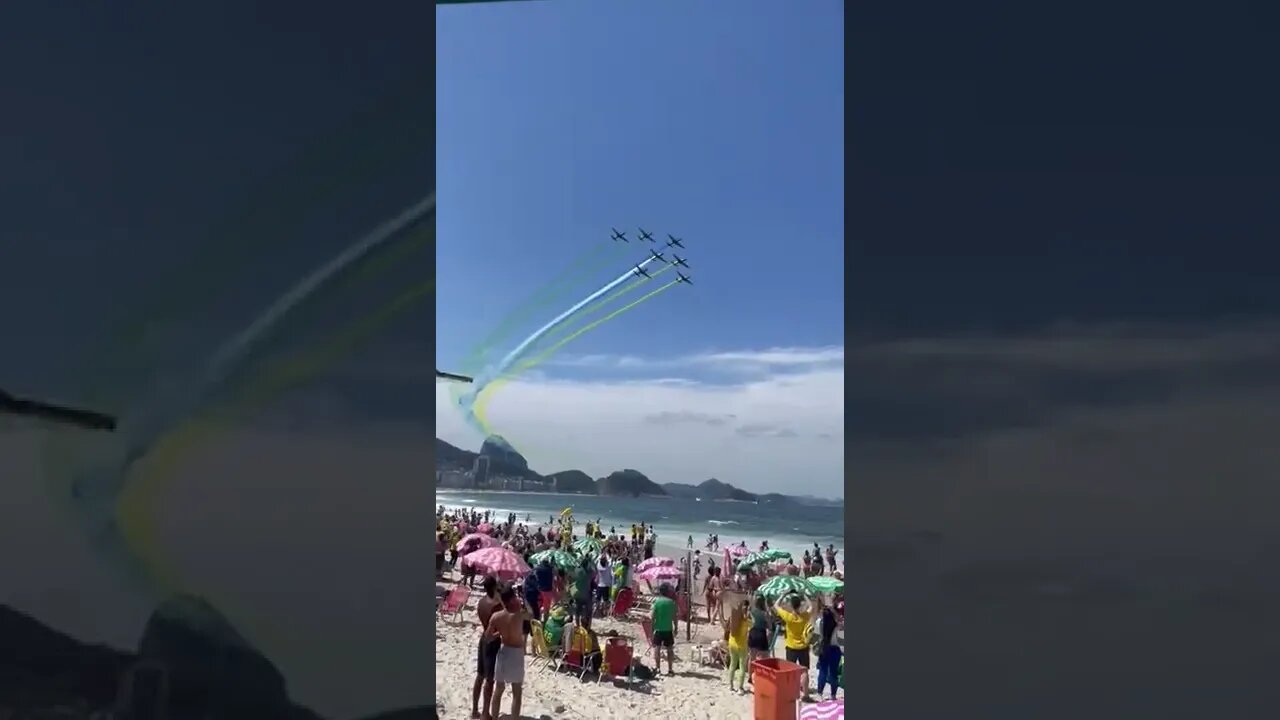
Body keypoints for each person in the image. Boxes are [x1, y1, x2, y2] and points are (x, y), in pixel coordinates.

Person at [486, 584, 526, 720]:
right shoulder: (519, 614)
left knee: (498, 690)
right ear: (512, 598)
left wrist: (500, 633)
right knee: (516, 692)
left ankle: (495, 718)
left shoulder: (496, 617)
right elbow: (533, 613)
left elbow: (488, 637)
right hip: (516, 653)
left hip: (504, 652)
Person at [470, 576, 501, 720]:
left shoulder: (481, 602)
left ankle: (475, 710)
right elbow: (499, 626)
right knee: (489, 679)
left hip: (483, 638)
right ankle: (485, 713)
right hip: (492, 642)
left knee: (479, 675)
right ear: (495, 587)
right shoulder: (496, 605)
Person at [775, 594, 814, 702]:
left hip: (791, 647)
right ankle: (805, 695)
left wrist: (784, 594)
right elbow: (811, 607)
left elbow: (776, 605)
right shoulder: (805, 616)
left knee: (790, 672)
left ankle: (790, 693)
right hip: (803, 647)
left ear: (792, 605)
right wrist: (804, 596)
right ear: (800, 605)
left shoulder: (788, 617)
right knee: (804, 671)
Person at [815, 597, 842, 699]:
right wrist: (833, 610)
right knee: (834, 673)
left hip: (824, 648)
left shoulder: (819, 623)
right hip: (835, 650)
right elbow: (839, 619)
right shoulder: (837, 625)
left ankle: (819, 693)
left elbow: (815, 635)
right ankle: (833, 695)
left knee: (823, 671)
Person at [649, 583, 678, 676]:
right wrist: (676, 627)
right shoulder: (671, 602)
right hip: (668, 629)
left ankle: (658, 668)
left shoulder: (656, 602)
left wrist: (652, 628)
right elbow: (675, 617)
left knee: (657, 648)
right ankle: (670, 669)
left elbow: (652, 617)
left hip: (658, 629)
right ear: (668, 592)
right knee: (669, 649)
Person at [724, 598, 751, 693]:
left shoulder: (733, 618)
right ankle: (740, 688)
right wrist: (749, 614)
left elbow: (726, 627)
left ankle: (730, 685)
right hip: (742, 645)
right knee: (742, 667)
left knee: (732, 665)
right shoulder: (746, 621)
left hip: (732, 643)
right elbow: (753, 624)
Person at [746, 594, 771, 684]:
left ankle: (749, 676)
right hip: (761, 634)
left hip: (753, 633)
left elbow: (748, 617)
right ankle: (761, 676)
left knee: (751, 657)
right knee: (764, 657)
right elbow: (770, 626)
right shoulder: (765, 613)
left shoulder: (752, 610)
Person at [572, 556, 594, 630]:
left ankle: (578, 626)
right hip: (587, 595)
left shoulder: (577, 570)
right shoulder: (589, 572)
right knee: (589, 612)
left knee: (577, 611)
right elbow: (594, 572)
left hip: (578, 594)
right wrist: (591, 562)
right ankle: (588, 627)